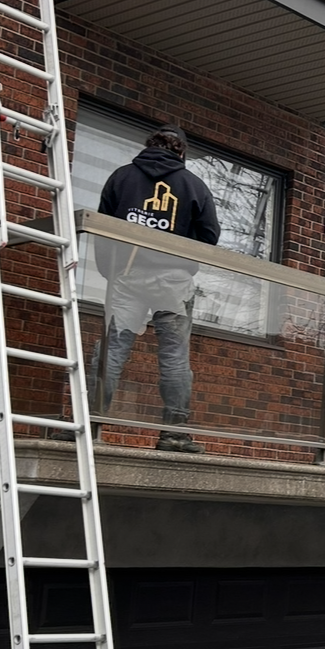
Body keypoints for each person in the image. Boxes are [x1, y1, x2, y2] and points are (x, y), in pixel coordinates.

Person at [91, 123, 220, 451]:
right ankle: (173, 434)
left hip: (128, 276)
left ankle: (88, 423)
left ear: (150, 145)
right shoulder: (194, 185)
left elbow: (103, 229)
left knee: (113, 349)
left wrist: (111, 272)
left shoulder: (122, 177)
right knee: (175, 356)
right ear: (182, 151)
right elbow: (209, 236)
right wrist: (183, 259)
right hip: (173, 281)